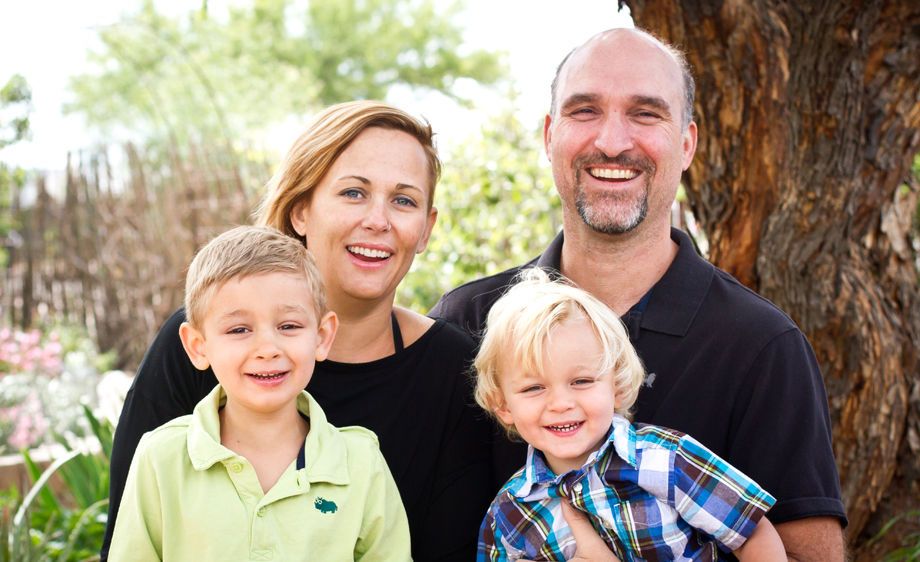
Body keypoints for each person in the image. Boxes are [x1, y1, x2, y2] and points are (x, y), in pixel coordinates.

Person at [430, 28, 847, 560]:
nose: (612, 141)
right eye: (585, 111)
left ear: (687, 143)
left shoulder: (763, 346)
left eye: (646, 114)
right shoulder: (467, 323)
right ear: (549, 136)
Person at [103, 101, 494, 561]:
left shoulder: (453, 369)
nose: (378, 220)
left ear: (425, 229)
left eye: (403, 200)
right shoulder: (199, 343)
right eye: (353, 193)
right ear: (300, 210)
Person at [109, 226, 410, 560]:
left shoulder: (361, 462)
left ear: (323, 336)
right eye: (239, 329)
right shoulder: (160, 458)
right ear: (197, 346)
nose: (268, 348)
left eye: (289, 326)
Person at [473, 268, 785, 561]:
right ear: (502, 405)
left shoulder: (667, 460)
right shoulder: (508, 515)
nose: (560, 403)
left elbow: (752, 534)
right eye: (533, 388)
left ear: (618, 386)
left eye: (581, 381)